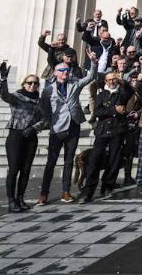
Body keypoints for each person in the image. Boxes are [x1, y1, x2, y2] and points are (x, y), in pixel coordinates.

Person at [37, 52, 98, 204]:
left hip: (73, 126)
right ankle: (44, 193)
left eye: (67, 70)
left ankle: (66, 191)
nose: (65, 72)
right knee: (51, 162)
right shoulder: (48, 90)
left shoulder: (74, 83)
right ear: (56, 72)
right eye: (62, 70)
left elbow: (90, 77)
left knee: (69, 161)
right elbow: (44, 109)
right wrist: (50, 122)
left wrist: (93, 63)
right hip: (57, 129)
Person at [79, 70, 132, 203]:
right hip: (102, 131)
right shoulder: (101, 94)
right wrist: (114, 110)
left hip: (117, 130)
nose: (112, 81)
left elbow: (131, 90)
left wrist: (123, 81)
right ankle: (88, 190)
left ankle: (108, 185)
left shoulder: (122, 93)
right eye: (109, 80)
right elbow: (97, 111)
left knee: (114, 160)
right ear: (105, 82)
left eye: (114, 79)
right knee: (94, 159)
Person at [0, 62, 43, 212]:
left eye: (35, 83)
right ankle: (11, 201)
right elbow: (4, 95)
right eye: (29, 83)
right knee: (13, 169)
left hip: (31, 136)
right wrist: (3, 79)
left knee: (26, 170)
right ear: (24, 84)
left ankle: (20, 198)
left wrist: (34, 128)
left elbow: (45, 119)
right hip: (16, 135)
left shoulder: (40, 100)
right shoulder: (17, 97)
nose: (32, 85)